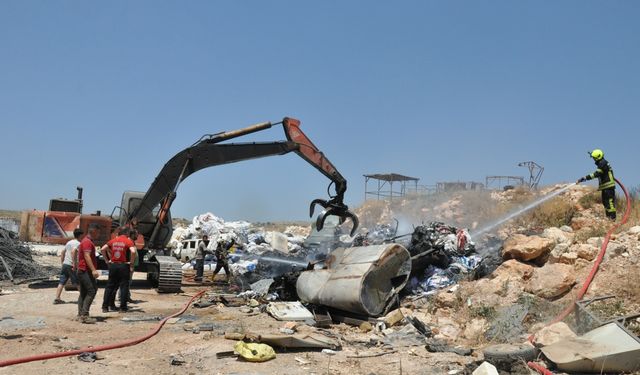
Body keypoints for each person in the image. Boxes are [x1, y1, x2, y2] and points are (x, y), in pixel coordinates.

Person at [100, 227, 137, 312]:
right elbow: (133, 251)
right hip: (123, 266)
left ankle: (105, 307)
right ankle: (123, 308)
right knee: (124, 287)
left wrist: (106, 260)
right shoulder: (128, 241)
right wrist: (131, 263)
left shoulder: (113, 240)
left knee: (110, 286)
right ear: (127, 233)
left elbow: (102, 249)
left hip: (113, 265)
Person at [577, 149, 617, 220]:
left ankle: (613, 219)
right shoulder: (602, 163)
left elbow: (596, 174)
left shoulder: (603, 163)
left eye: (594, 158)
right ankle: (609, 218)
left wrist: (585, 178)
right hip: (605, 187)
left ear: (597, 157)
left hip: (608, 187)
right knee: (605, 203)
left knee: (609, 203)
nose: (593, 160)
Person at [77, 223, 101, 324]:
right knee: (92, 291)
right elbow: (87, 256)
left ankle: (80, 314)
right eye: (98, 232)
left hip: (82, 270)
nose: (99, 234)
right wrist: (93, 270)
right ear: (94, 231)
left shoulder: (87, 241)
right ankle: (84, 315)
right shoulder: (87, 242)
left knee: (83, 292)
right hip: (85, 270)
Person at [53, 228, 83, 304]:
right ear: (80, 235)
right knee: (77, 282)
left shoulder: (69, 242)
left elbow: (63, 252)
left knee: (62, 282)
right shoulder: (78, 243)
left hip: (65, 264)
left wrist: (62, 262)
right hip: (71, 265)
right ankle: (83, 298)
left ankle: (57, 298)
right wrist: (74, 264)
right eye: (82, 235)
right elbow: (73, 252)